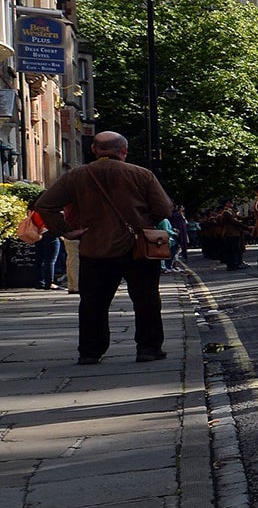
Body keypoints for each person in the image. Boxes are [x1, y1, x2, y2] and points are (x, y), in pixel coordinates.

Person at [27, 133, 175, 364]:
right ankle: (148, 348)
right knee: (146, 299)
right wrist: (145, 221)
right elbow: (164, 209)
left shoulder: (76, 175)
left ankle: (90, 352)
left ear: (94, 150)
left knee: (92, 302)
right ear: (124, 150)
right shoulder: (141, 174)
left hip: (94, 247)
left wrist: (65, 230)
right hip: (137, 247)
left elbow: (45, 204)